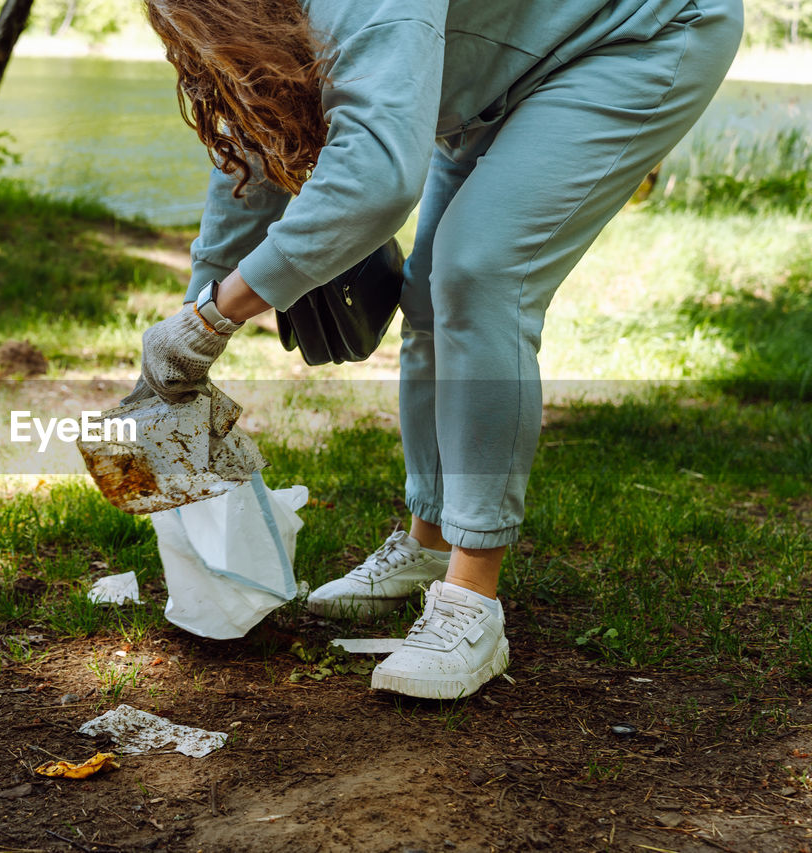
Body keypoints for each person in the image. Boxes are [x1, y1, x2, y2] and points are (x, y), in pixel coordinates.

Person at [125, 0, 743, 699]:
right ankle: (430, 541)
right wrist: (190, 314)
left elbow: (376, 180)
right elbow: (252, 158)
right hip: (499, 74)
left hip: (636, 37)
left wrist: (216, 317)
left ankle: (472, 602)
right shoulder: (279, 25)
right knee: (427, 295)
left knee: (479, 273)